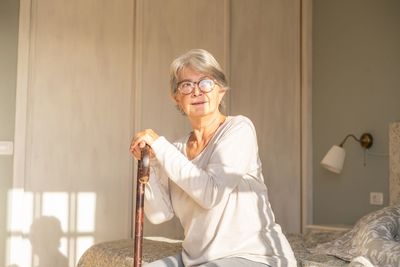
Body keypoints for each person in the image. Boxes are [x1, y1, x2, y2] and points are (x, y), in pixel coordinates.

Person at [130, 49, 296, 267]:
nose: (197, 91)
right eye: (186, 85)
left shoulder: (239, 129)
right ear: (176, 98)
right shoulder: (175, 151)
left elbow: (211, 194)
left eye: (206, 82)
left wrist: (159, 145)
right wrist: (148, 163)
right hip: (198, 260)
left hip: (255, 257)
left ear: (221, 91)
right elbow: (160, 214)